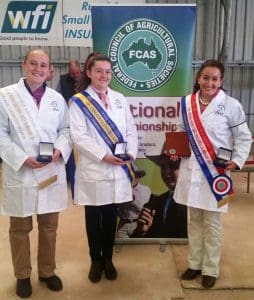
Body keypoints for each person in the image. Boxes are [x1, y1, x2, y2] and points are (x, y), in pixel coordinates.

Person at [172, 59, 252, 289]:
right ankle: (194, 264)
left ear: (221, 81)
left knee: (213, 224)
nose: (209, 82)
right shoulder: (187, 103)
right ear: (198, 78)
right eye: (205, 77)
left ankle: (210, 269)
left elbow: (243, 137)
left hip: (216, 174)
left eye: (214, 78)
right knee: (194, 221)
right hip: (191, 170)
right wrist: (176, 149)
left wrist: (237, 162)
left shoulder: (231, 105)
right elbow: (181, 130)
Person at [0, 49, 72, 298]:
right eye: (33, 63)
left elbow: (66, 130)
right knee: (19, 227)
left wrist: (59, 151)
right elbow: (0, 134)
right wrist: (22, 159)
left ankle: (47, 271)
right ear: (24, 65)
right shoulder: (5, 96)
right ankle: (22, 275)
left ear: (50, 70)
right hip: (21, 171)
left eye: (43, 65)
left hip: (50, 170)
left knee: (49, 226)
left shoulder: (56, 99)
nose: (38, 69)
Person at [69, 54, 138, 283]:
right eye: (99, 71)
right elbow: (79, 137)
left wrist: (131, 153)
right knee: (93, 217)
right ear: (89, 73)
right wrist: (105, 156)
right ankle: (95, 260)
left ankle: (108, 259)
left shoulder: (119, 98)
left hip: (118, 168)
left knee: (110, 216)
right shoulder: (79, 101)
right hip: (95, 169)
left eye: (108, 71)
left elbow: (131, 129)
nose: (104, 75)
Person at [131, 155, 187, 238]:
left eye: (172, 166)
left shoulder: (196, 202)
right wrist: (142, 231)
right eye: (163, 167)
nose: (167, 174)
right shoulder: (155, 202)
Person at [117, 168, 151, 238]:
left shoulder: (145, 189)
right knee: (123, 248)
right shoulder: (120, 189)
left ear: (139, 177)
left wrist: (133, 200)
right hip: (122, 225)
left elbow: (143, 209)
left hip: (138, 224)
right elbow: (117, 209)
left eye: (134, 175)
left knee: (137, 248)